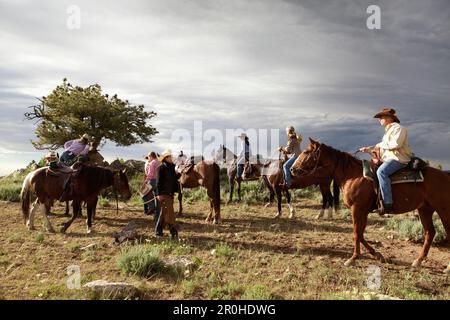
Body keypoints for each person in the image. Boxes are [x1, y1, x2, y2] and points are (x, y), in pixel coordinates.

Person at [359, 108, 412, 214]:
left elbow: (395, 144)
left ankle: (388, 204)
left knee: (381, 172)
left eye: (381, 118)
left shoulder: (399, 129)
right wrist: (369, 149)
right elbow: (383, 148)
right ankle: (377, 201)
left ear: (388, 118)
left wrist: (379, 145)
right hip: (389, 159)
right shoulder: (388, 131)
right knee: (373, 171)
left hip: (398, 159)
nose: (379, 120)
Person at [155, 150, 180, 239]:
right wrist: (158, 195)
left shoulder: (172, 167)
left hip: (170, 194)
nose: (172, 158)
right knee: (170, 213)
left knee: (164, 213)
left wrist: (180, 172)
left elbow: (175, 178)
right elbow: (158, 183)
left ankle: (158, 232)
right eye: (170, 157)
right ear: (166, 158)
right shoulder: (160, 168)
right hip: (163, 194)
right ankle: (173, 232)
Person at [143, 152, 160, 217]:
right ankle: (157, 214)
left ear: (151, 156)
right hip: (159, 182)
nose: (148, 158)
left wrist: (145, 181)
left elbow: (150, 174)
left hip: (152, 181)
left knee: (143, 194)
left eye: (148, 156)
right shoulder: (159, 162)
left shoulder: (152, 163)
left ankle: (151, 206)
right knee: (157, 197)